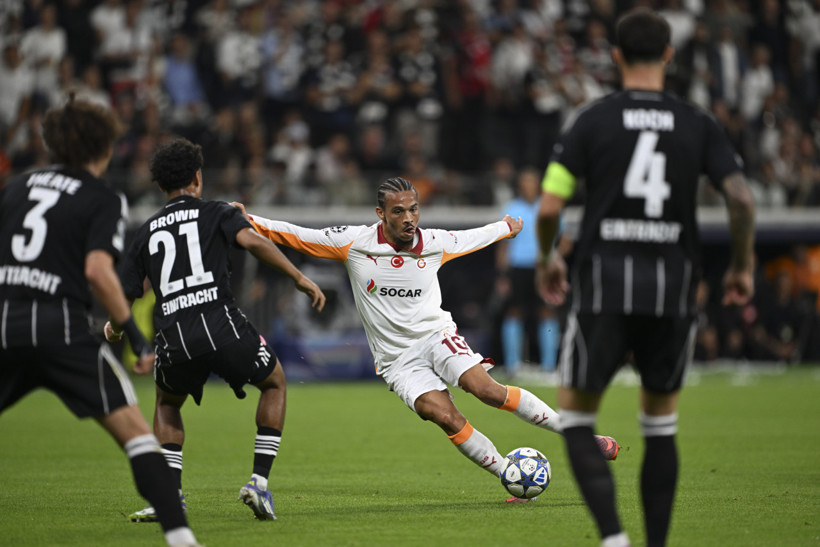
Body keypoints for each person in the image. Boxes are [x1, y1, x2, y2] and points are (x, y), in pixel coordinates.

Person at [236, 176, 620, 503]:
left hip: (437, 337)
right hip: (396, 360)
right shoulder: (354, 243)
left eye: (414, 209)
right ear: (380, 214)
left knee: (486, 390)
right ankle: (509, 473)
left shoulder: (435, 242)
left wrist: (505, 227)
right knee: (443, 415)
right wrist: (249, 219)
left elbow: (474, 235)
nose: (409, 218)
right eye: (399, 211)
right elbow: (297, 234)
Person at [536, 9, 755, 547]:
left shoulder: (591, 120)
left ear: (615, 56)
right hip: (671, 286)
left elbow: (547, 208)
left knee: (577, 419)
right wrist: (744, 265)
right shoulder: (698, 123)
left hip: (603, 284)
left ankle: (614, 539)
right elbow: (742, 199)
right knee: (660, 427)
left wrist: (548, 258)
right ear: (669, 56)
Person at [0, 97, 201, 547]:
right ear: (104, 145)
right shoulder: (102, 197)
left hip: (6, 321)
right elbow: (96, 270)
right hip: (61, 327)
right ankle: (181, 538)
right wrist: (136, 337)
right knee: (137, 435)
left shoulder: (15, 188)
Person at [106, 139, 325, 522]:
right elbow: (253, 242)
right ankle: (258, 481)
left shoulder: (145, 231)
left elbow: (127, 291)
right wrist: (298, 277)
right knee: (274, 382)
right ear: (197, 177)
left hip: (173, 334)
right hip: (221, 325)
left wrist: (113, 325)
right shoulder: (217, 212)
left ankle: (170, 496)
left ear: (161, 186)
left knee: (167, 402)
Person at [495, 167, 561, 375]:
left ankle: (550, 367)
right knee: (514, 312)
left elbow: (565, 238)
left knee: (546, 312)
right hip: (518, 268)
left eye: (531, 181)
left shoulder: (548, 207)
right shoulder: (512, 208)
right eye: (524, 182)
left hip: (543, 268)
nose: (528, 186)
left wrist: (554, 257)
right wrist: (502, 275)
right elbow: (503, 245)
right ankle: (513, 365)